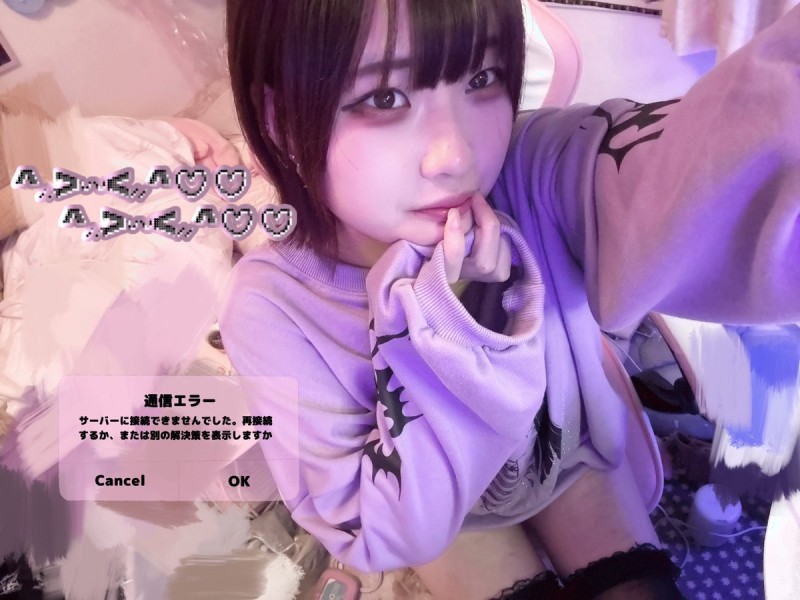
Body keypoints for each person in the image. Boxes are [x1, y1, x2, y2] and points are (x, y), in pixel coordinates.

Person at [219, 1, 800, 598]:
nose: (457, 157)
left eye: (482, 78)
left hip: (562, 454)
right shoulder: (271, 308)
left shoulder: (535, 168)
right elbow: (375, 525)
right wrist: (448, 316)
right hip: (439, 510)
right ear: (279, 117)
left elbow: (699, 173)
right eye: (385, 98)